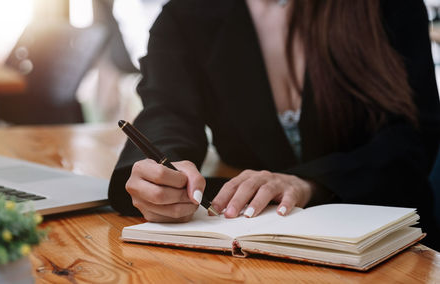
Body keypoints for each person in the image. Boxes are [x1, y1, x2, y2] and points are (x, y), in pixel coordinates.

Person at [108, 0, 440, 250]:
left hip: (389, 243)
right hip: (255, 245)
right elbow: (167, 110)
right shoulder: (187, 15)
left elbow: (412, 138)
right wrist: (162, 172)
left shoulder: (387, 6)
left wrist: (310, 183)